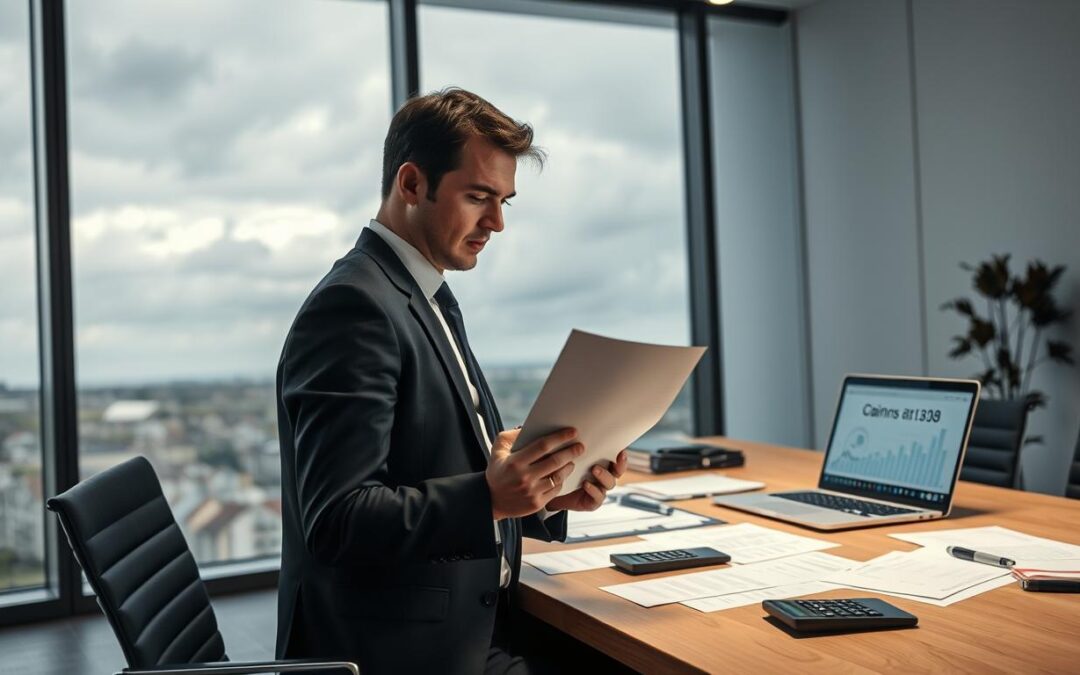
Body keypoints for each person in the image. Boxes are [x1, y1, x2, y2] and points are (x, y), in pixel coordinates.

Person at [274, 87, 628, 675]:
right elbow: (338, 521)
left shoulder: (423, 293)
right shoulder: (354, 307)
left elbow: (432, 463)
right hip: (404, 651)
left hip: (468, 620)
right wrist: (491, 498)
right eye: (478, 197)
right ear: (412, 184)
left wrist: (541, 495)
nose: (496, 223)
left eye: (503, 202)